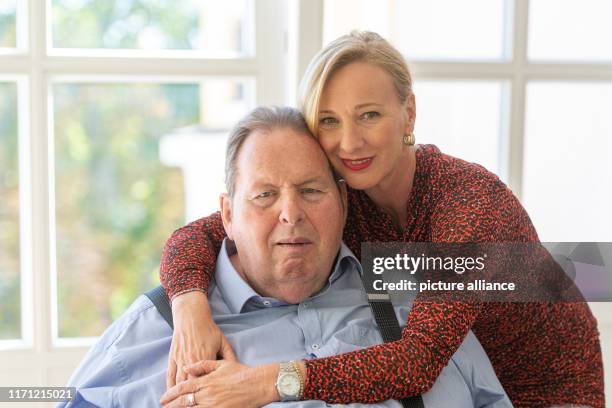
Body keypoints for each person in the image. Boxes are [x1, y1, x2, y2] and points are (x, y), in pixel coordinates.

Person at [159, 32, 604, 408]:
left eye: (368, 115)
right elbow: (201, 233)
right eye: (330, 121)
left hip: (543, 393)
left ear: (408, 113)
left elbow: (416, 361)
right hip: (458, 388)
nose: (349, 142)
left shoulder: (469, 205)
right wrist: (188, 305)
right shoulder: (347, 198)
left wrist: (263, 383)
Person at [58, 107, 511, 408]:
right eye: (265, 195)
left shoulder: (421, 300)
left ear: (345, 205)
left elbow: (570, 273)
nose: (291, 214)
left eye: (312, 191)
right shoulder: (154, 336)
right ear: (228, 216)